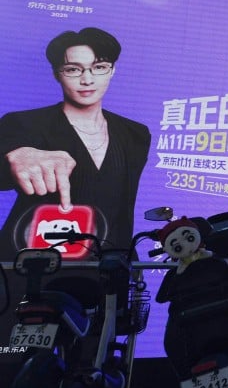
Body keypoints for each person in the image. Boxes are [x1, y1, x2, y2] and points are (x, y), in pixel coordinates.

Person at [0, 27, 151, 260]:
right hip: (34, 262)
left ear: (112, 71)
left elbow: (123, 206)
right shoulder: (24, 123)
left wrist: (128, 259)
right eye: (73, 69)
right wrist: (15, 157)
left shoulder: (135, 134)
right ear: (56, 74)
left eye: (99, 67)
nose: (87, 79)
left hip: (107, 265)